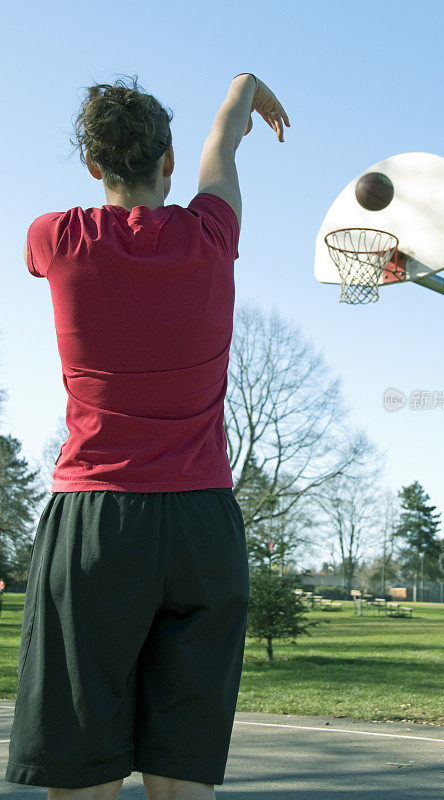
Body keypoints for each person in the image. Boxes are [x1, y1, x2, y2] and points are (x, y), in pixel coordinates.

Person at [6, 73, 290, 800]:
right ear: (167, 162)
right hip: (202, 524)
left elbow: (40, 255)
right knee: (182, 775)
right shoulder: (211, 233)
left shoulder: (56, 237)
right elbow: (221, 151)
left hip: (98, 520)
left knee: (83, 769)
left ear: (95, 167)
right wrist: (239, 92)